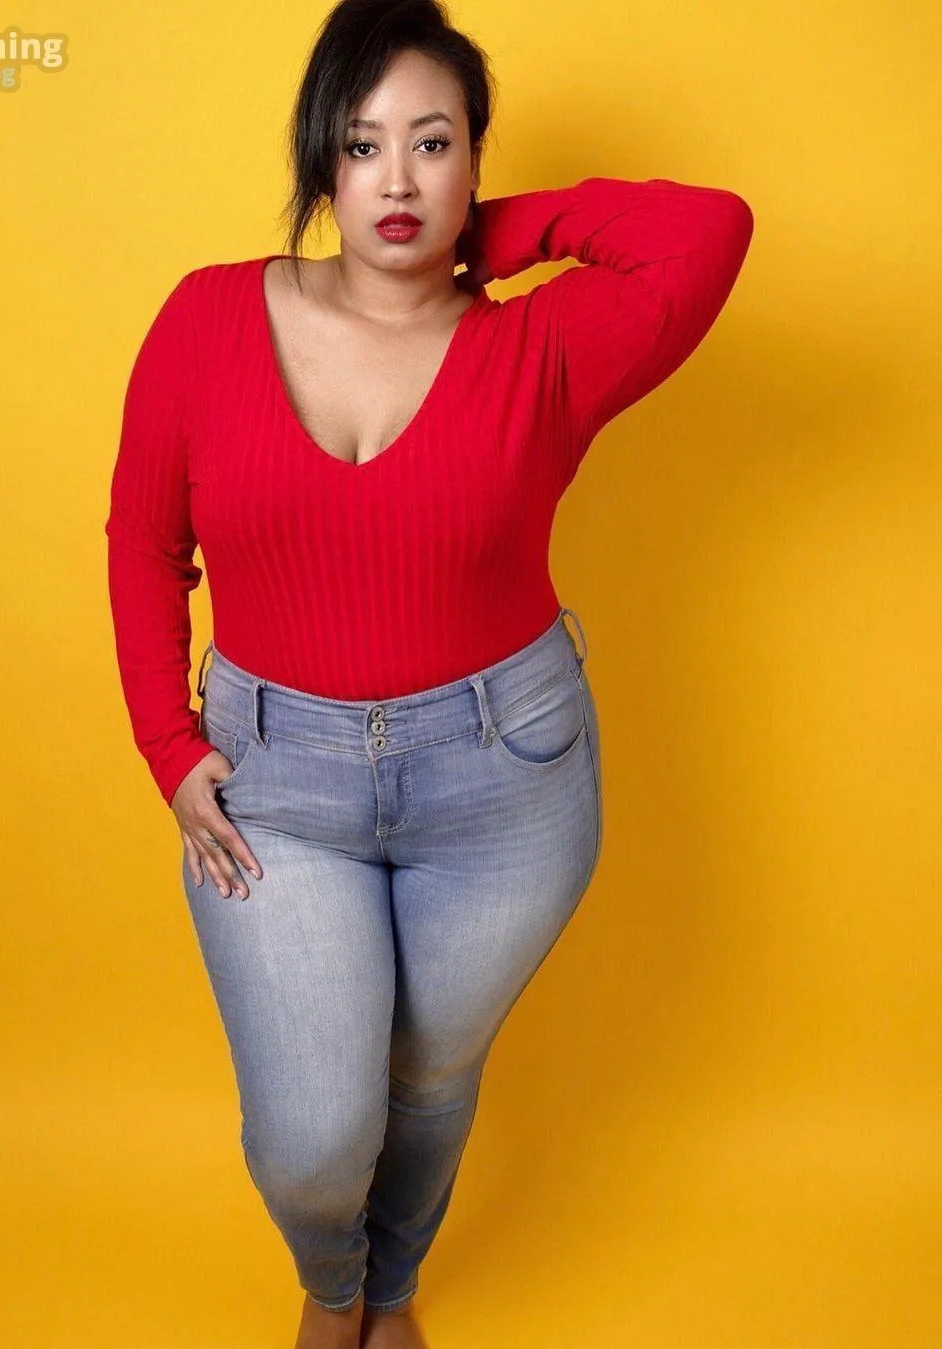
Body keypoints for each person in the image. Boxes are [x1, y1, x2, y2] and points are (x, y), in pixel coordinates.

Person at [104, 1, 754, 1343]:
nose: (395, 181)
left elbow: (710, 231)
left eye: (432, 144)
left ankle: (386, 1294)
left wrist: (489, 234)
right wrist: (169, 747)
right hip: (278, 781)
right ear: (320, 161)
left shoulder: (540, 349)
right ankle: (332, 1276)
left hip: (504, 777)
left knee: (428, 1073)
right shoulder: (209, 317)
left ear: (473, 160)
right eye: (362, 146)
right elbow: (144, 542)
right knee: (311, 1136)